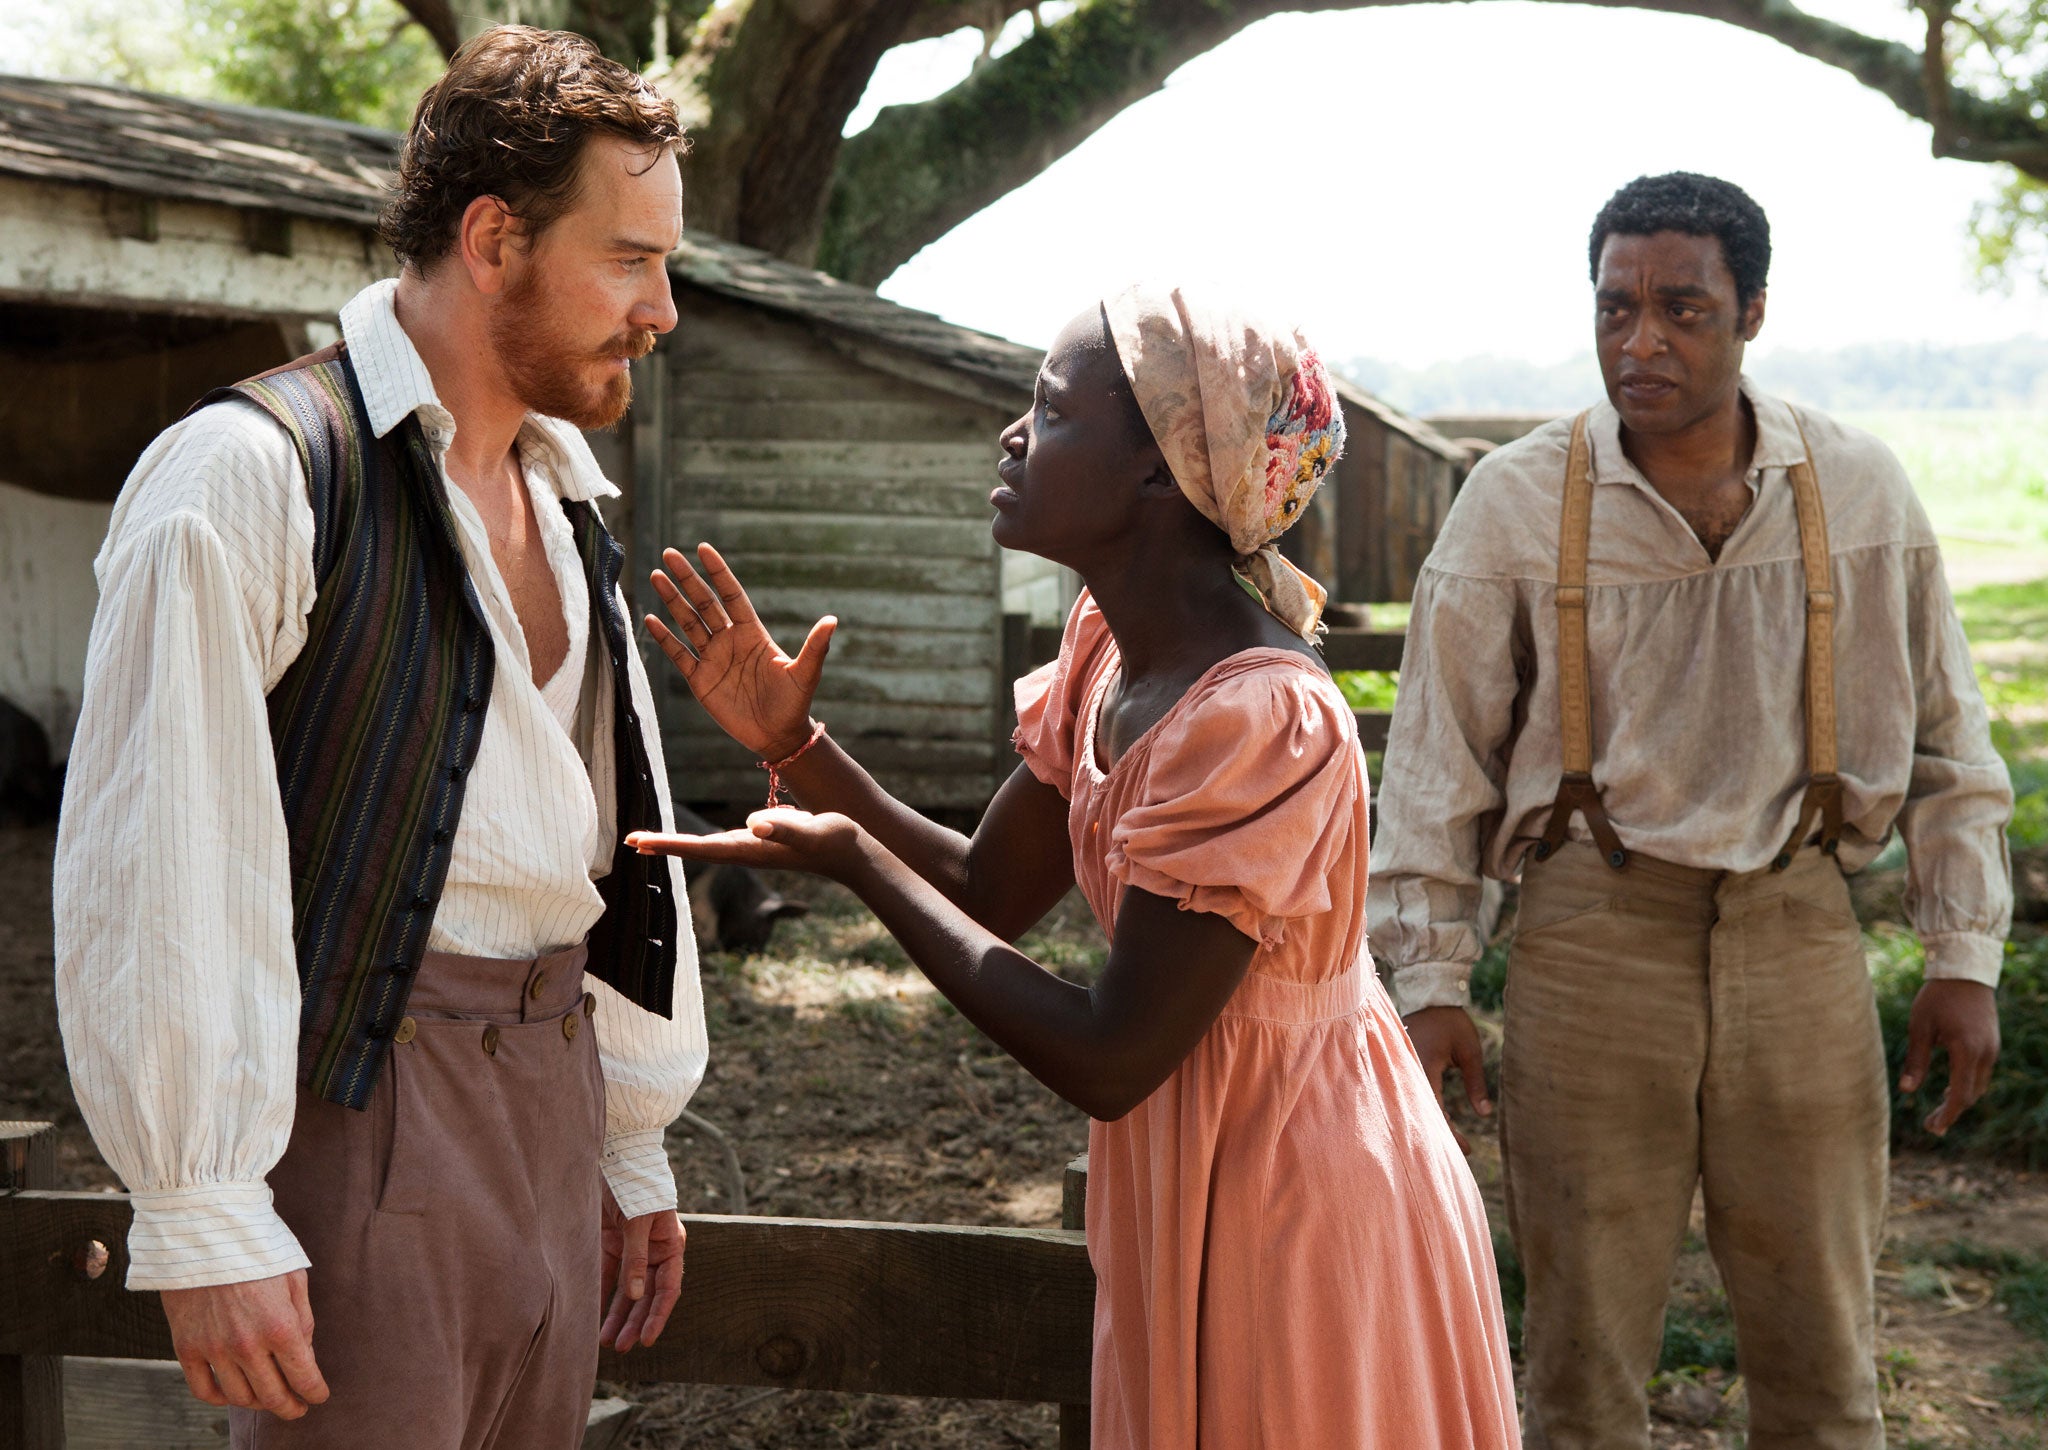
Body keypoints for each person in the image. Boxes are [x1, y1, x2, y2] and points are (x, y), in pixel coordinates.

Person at [629, 286, 1521, 1447]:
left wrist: (852, 861)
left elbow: (1110, 1055)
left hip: (1295, 1186)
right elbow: (984, 891)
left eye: (1047, 412)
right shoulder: (1112, 653)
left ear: (1164, 473)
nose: (1012, 435)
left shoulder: (1257, 719)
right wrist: (798, 748)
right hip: (1201, 1160)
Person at [53, 27, 709, 1447]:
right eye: (630, 257)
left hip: (553, 1112)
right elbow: (159, 859)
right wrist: (203, 1206)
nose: (662, 307)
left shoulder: (565, 498)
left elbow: (602, 837)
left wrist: (629, 1137)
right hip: (367, 1112)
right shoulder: (249, 476)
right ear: (493, 238)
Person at [1368, 172, 2013, 1450]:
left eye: (1680, 308)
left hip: (1799, 937)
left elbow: (1948, 738)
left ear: (1751, 313)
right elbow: (1435, 766)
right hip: (1590, 944)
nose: (1639, 340)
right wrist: (1429, 978)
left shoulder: (1859, 490)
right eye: (1615, 307)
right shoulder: (1511, 501)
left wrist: (1962, 954)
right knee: (1579, 1368)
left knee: (1823, 1359)